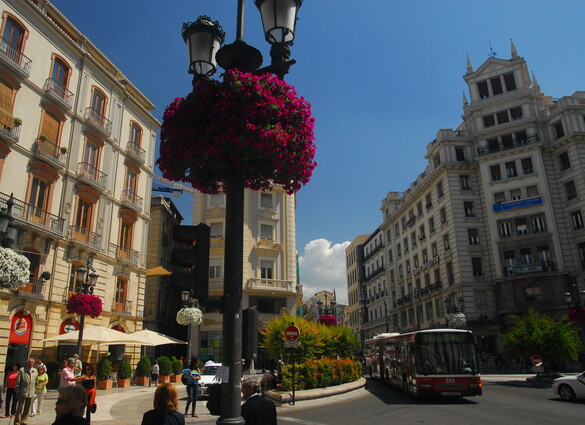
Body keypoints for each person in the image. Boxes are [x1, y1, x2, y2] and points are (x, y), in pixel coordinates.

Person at [14, 358, 38, 425]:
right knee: (20, 408)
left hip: (31, 392)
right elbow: (18, 383)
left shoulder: (35, 370)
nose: (31, 364)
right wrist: (18, 392)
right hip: (23, 392)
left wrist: (34, 390)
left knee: (27, 409)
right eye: (29, 362)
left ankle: (23, 421)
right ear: (27, 363)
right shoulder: (22, 370)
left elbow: (36, 382)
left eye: (32, 362)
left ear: (34, 363)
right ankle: (17, 421)